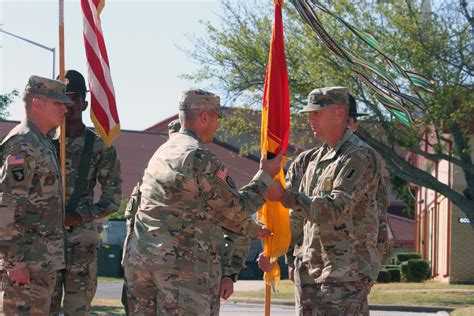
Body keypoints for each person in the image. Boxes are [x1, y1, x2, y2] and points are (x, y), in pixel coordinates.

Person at [122, 88, 282, 315]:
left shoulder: (162, 152)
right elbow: (236, 209)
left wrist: (251, 229)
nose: (217, 126)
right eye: (216, 118)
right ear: (205, 117)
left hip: (141, 264)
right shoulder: (197, 156)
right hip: (179, 269)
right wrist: (266, 175)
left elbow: (202, 209)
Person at [266, 86, 384, 315]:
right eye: (309, 113)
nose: (311, 119)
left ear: (340, 113)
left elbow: (335, 209)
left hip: (344, 273)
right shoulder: (312, 160)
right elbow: (297, 216)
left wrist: (285, 196)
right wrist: (283, 252)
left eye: (316, 113)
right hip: (310, 270)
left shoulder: (358, 156)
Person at [49, 70, 122, 315]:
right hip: (44, 242)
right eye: (63, 98)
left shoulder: (100, 147)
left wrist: (79, 217)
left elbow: (113, 200)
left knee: (77, 310)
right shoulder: (42, 143)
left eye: (74, 98)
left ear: (84, 102)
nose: (69, 105)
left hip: (81, 244)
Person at [0, 75, 71, 314]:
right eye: (57, 103)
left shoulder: (42, 141)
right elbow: (7, 205)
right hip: (27, 263)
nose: (65, 108)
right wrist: (14, 262)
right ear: (37, 103)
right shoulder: (22, 143)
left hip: (43, 262)